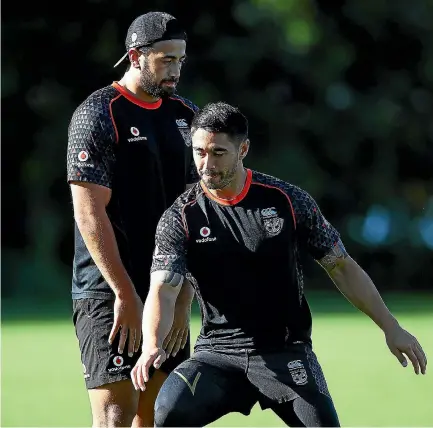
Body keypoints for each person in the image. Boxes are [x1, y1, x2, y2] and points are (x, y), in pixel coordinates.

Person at [131, 102, 428, 427]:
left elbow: (341, 266)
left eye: (218, 152)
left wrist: (391, 326)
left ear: (243, 148)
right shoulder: (181, 217)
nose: (206, 164)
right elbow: (164, 287)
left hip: (286, 350)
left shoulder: (287, 200)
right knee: (168, 412)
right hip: (217, 353)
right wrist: (152, 345)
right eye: (199, 152)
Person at [67, 12, 199, 427]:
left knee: (162, 416)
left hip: (166, 288)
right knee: (115, 417)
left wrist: (183, 295)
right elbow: (89, 213)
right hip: (109, 292)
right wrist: (125, 294)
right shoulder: (98, 113)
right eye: (166, 60)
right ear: (135, 56)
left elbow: (198, 210)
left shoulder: (187, 115)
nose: (175, 70)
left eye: (180, 60)